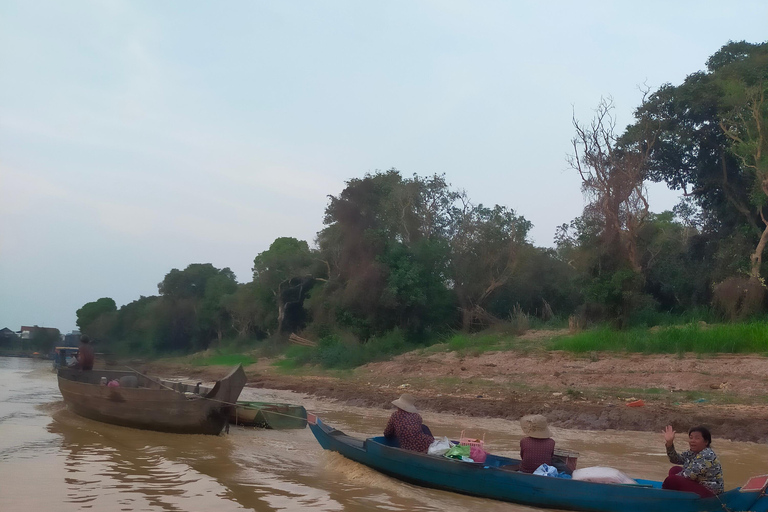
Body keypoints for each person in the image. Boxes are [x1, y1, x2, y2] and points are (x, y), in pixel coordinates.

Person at [662, 425, 724, 497]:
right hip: (698, 483)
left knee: (672, 480)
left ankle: (665, 497)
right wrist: (669, 443)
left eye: (697, 438)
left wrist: (670, 482)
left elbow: (689, 475)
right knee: (675, 470)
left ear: (706, 442)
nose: (692, 441)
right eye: (691, 438)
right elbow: (675, 459)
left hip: (711, 493)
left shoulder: (707, 455)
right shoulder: (693, 452)